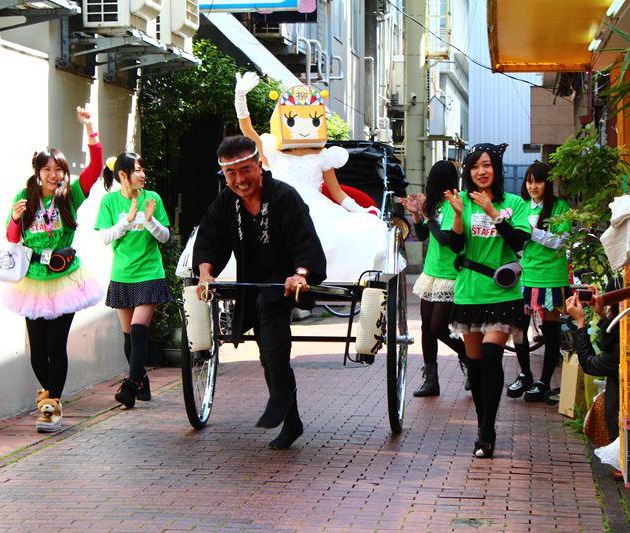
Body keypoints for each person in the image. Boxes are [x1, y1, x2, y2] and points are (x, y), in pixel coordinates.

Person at [193, 135, 327, 450]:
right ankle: (292, 420)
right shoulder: (226, 202)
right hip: (251, 281)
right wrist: (205, 273)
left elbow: (305, 241)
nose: (239, 180)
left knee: (271, 325)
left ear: (259, 165)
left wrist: (300, 274)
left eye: (245, 170)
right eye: (231, 173)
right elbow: (210, 239)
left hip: (285, 281)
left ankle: (281, 402)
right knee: (266, 350)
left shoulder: (284, 196)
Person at [233, 71, 392, 281]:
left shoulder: (323, 157)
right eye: (292, 122)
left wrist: (361, 211)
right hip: (280, 208)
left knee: (344, 236)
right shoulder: (272, 152)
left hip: (318, 210)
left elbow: (337, 192)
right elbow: (247, 130)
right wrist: (240, 97)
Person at [3, 106, 104, 433]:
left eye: (58, 169)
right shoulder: (24, 196)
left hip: (65, 278)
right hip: (33, 279)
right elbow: (12, 237)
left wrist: (90, 129)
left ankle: (51, 408)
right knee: (37, 352)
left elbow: (95, 168)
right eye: (47, 169)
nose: (53, 174)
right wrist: (16, 217)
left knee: (55, 346)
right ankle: (50, 397)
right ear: (37, 171)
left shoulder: (70, 195)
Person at [443, 143, 531, 458]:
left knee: (492, 356)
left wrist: (493, 212)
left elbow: (519, 241)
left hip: (503, 292)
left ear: (496, 168)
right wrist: (457, 214)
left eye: (487, 165)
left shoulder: (514, 203)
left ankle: (488, 429)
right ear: (468, 172)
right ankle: (482, 424)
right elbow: (455, 246)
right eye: (475, 166)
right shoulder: (459, 201)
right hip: (469, 292)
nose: (481, 172)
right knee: (476, 365)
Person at [95, 152, 172, 409]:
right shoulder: (109, 201)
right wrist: (127, 221)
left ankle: (129, 387)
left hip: (150, 272)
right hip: (122, 274)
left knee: (139, 330)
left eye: (142, 169)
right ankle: (142, 381)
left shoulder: (153, 198)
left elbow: (165, 237)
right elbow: (104, 237)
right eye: (137, 170)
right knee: (128, 337)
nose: (142, 174)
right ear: (122, 174)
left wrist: (150, 221)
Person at [398, 161, 467, 397]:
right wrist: (416, 215)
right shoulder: (435, 204)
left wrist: (427, 217)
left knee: (438, 327)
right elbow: (422, 236)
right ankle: (431, 380)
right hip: (431, 273)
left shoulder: (454, 203)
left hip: (451, 275)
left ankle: (468, 358)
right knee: (427, 328)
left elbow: (446, 239)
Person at [507, 162, 571, 401]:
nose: (533, 186)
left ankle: (544, 381)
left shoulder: (561, 207)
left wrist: (531, 231)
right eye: (529, 181)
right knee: (518, 327)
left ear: (548, 183)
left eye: (538, 181)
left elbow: (561, 241)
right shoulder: (520, 206)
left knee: (551, 331)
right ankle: (525, 374)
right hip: (526, 274)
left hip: (552, 275)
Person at [565, 286, 620, 442]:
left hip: (619, 424)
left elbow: (590, 364)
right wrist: (601, 314)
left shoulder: (621, 347)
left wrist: (580, 322)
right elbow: (615, 335)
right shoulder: (626, 334)